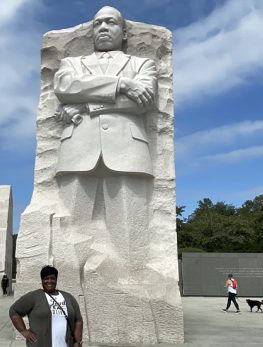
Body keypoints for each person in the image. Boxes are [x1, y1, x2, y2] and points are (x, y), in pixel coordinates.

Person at [52, 6, 158, 262]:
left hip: (128, 150)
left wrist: (88, 105)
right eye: (97, 23)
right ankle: (67, 286)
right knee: (70, 230)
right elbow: (65, 87)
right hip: (77, 149)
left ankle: (133, 284)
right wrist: (122, 84)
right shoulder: (72, 64)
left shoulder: (142, 64)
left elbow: (142, 103)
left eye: (110, 22)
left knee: (130, 234)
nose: (102, 28)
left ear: (123, 32)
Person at [9, 266, 83, 347]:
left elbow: (78, 320)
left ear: (56, 279)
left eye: (52, 278)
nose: (49, 281)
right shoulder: (34, 297)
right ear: (42, 280)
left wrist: (78, 342)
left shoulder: (68, 297)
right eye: (46, 278)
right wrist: (24, 331)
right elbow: (14, 311)